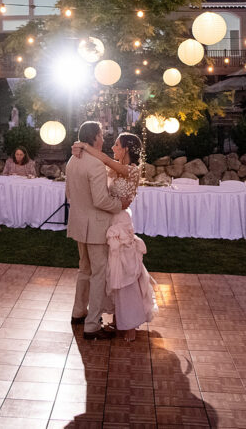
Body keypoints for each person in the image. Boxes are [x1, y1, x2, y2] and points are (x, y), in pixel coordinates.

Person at [73, 133, 157, 342]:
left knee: (125, 271)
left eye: (117, 144)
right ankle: (119, 317)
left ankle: (129, 322)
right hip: (109, 220)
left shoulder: (131, 170)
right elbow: (99, 166)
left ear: (126, 148)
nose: (112, 147)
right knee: (112, 271)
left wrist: (83, 144)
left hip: (120, 222)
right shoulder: (114, 169)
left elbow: (104, 159)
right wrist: (79, 149)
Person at [66, 121, 121, 340]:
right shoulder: (96, 164)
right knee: (99, 274)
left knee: (84, 269)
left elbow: (69, 192)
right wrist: (118, 205)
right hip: (96, 225)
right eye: (101, 134)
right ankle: (92, 325)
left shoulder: (73, 160)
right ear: (93, 138)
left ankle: (78, 312)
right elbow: (100, 200)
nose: (103, 138)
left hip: (79, 222)